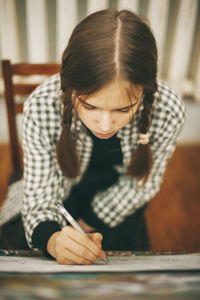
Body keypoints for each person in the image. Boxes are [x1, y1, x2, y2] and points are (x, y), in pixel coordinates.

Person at [0, 9, 185, 265]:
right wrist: (52, 240)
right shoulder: (41, 106)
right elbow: (41, 197)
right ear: (71, 87)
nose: (106, 125)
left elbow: (144, 183)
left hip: (118, 200)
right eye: (90, 106)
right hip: (60, 194)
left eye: (123, 109)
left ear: (144, 91)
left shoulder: (168, 109)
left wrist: (90, 221)